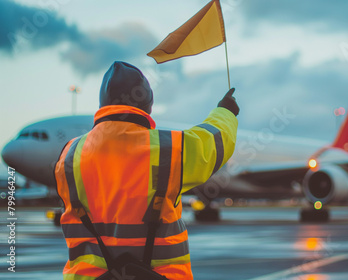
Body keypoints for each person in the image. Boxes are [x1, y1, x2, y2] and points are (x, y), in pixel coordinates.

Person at [54, 61, 239, 280]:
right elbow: (214, 142)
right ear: (148, 104)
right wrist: (225, 111)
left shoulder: (69, 154)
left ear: (103, 103)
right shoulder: (168, 148)